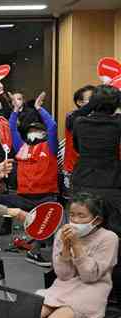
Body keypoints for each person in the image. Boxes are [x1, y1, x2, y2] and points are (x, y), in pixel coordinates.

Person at [36, 192, 119, 318]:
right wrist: (66, 248)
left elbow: (90, 276)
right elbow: (64, 275)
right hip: (62, 288)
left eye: (82, 216)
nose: (75, 221)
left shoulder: (109, 238)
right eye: (72, 215)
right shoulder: (62, 233)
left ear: (97, 220)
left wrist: (77, 245)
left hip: (91, 291)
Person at [0, 92, 58, 267]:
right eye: (31, 130)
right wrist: (15, 111)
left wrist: (39, 108)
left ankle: (35, 251)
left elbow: (52, 126)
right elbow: (12, 129)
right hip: (23, 196)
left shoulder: (49, 146)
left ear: (44, 133)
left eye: (38, 130)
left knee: (44, 222)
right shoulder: (21, 147)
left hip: (46, 196)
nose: (34, 133)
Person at [72, 85, 121, 236]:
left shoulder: (79, 122)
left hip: (83, 179)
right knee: (114, 231)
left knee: (83, 229)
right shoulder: (118, 123)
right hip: (111, 181)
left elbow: (77, 148)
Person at [62, 85, 95, 194]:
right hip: (74, 170)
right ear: (80, 102)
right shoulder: (72, 116)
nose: (96, 102)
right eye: (92, 98)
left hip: (93, 171)